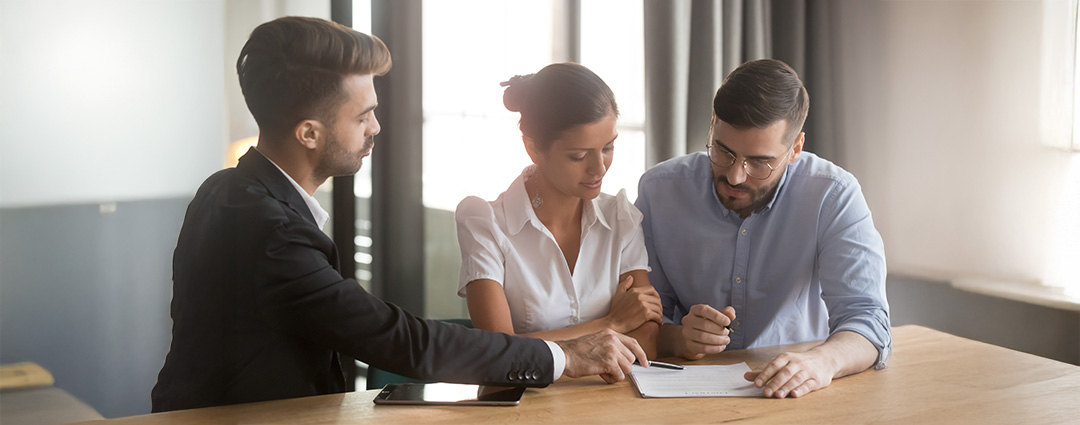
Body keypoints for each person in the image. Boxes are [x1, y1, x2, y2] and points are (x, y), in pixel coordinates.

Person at [151, 17, 647, 413]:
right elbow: (400, 341)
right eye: (362, 115)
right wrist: (565, 354)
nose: (377, 127)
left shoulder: (226, 190)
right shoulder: (270, 231)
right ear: (309, 133)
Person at [635, 59, 890, 399]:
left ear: (795, 149)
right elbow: (643, 321)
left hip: (797, 397)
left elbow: (868, 320)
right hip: (686, 397)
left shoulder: (833, 194)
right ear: (712, 125)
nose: (736, 175)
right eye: (723, 151)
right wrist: (679, 337)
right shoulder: (660, 191)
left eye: (759, 162)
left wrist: (821, 363)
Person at [455, 63, 662, 357]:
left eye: (608, 148)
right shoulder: (485, 223)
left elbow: (648, 342)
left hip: (611, 399)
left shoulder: (620, 217)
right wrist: (612, 323)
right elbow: (499, 354)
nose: (599, 168)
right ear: (533, 148)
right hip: (527, 402)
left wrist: (535, 344)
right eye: (578, 156)